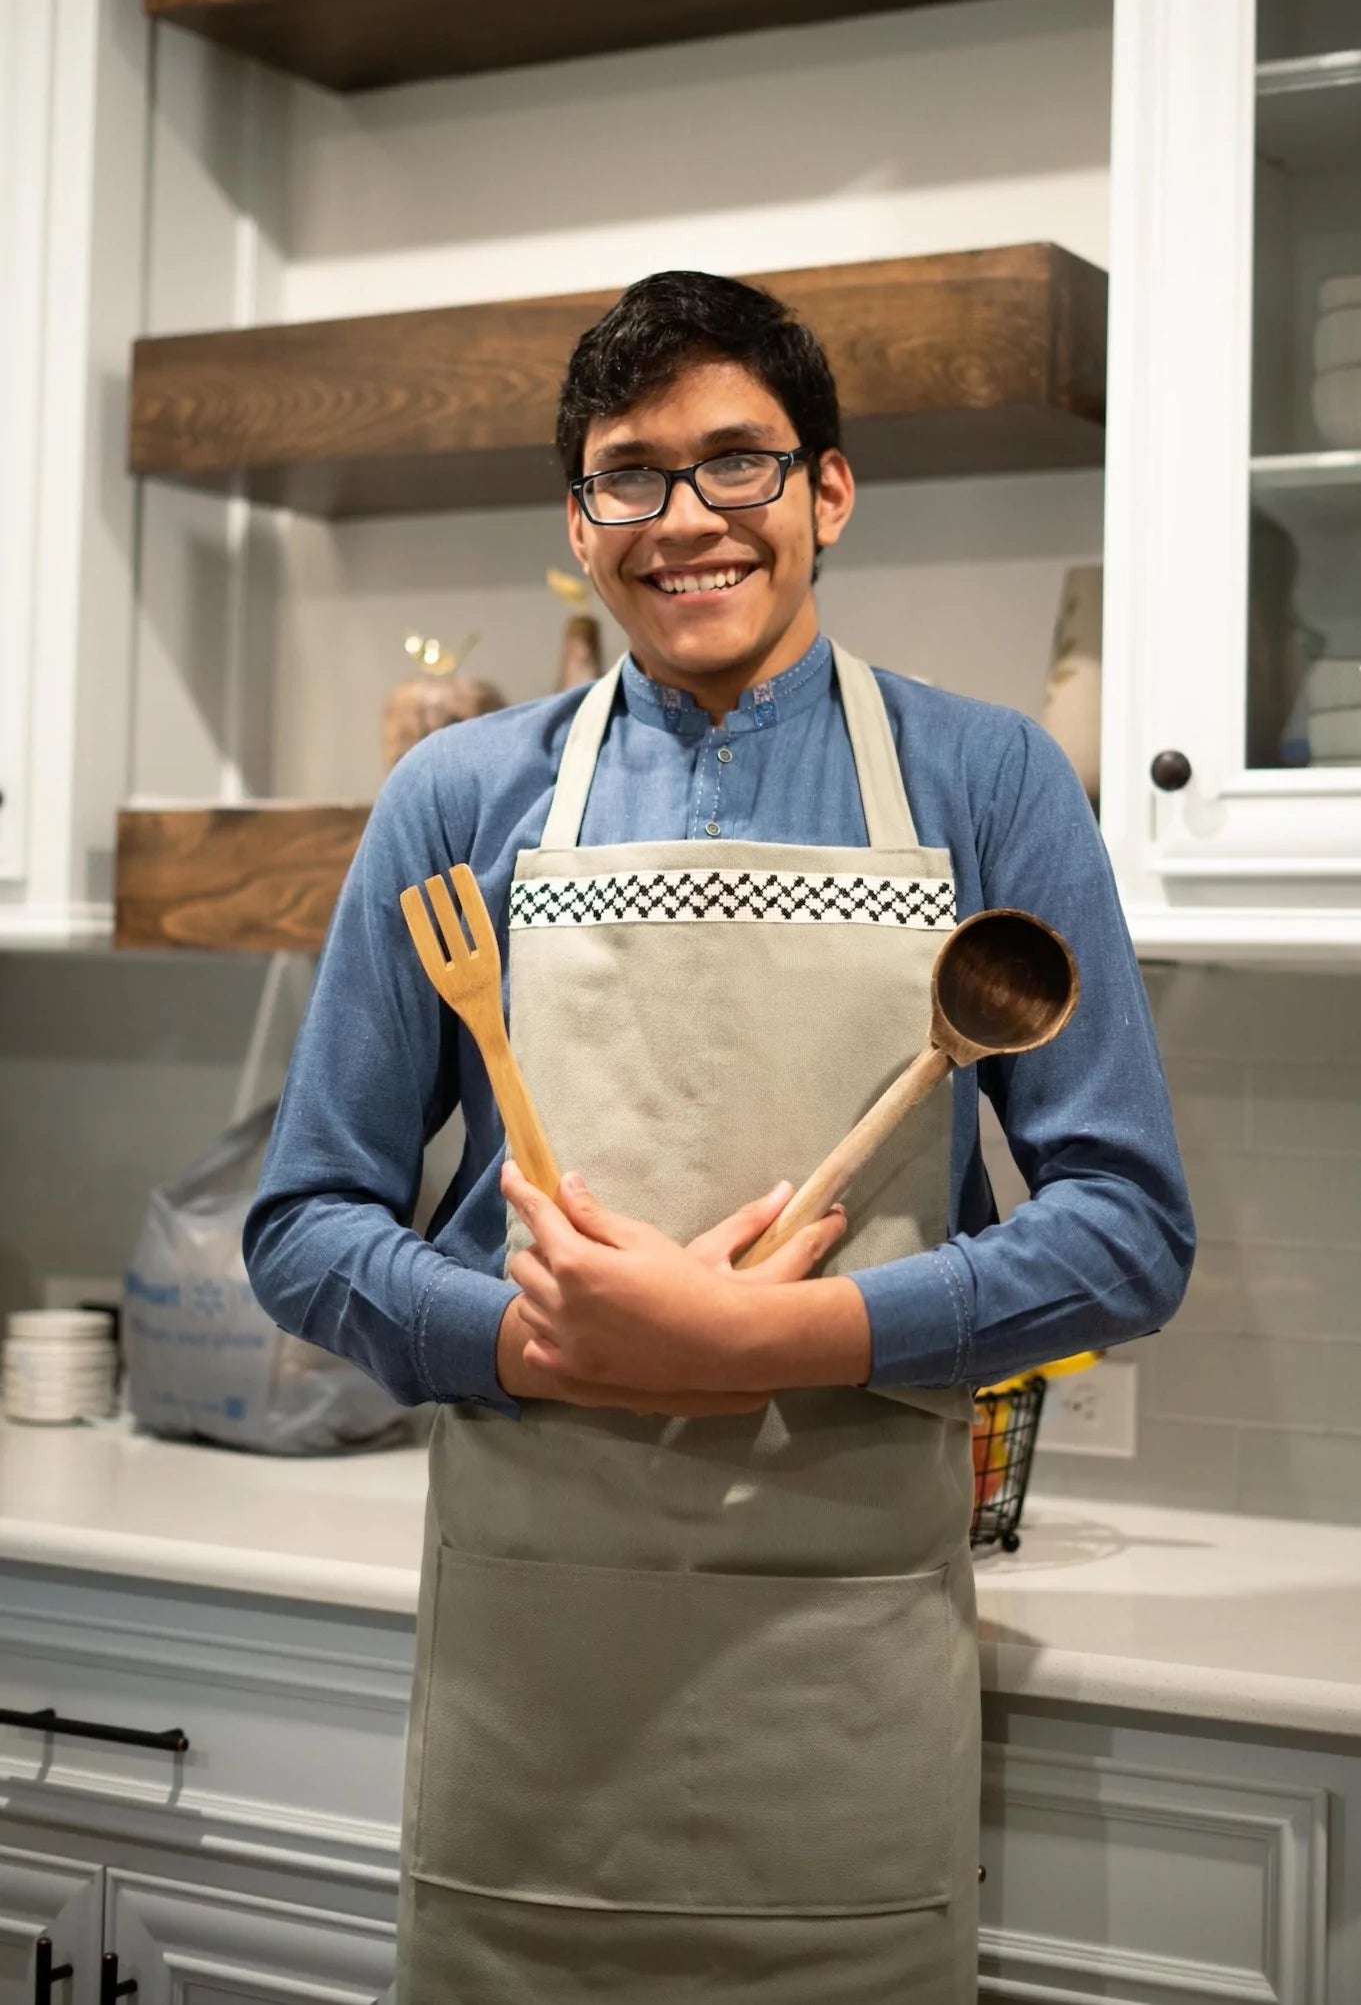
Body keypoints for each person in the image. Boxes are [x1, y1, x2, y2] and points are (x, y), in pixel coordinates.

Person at [245, 270, 1195, 2004]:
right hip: (535, 1671)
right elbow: (306, 1225)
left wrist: (786, 1332)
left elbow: (1126, 1227)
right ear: (580, 518)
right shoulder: (457, 803)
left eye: (737, 464)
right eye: (631, 474)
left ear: (827, 492)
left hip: (837, 1668)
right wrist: (529, 1342)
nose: (686, 520)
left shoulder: (987, 784)